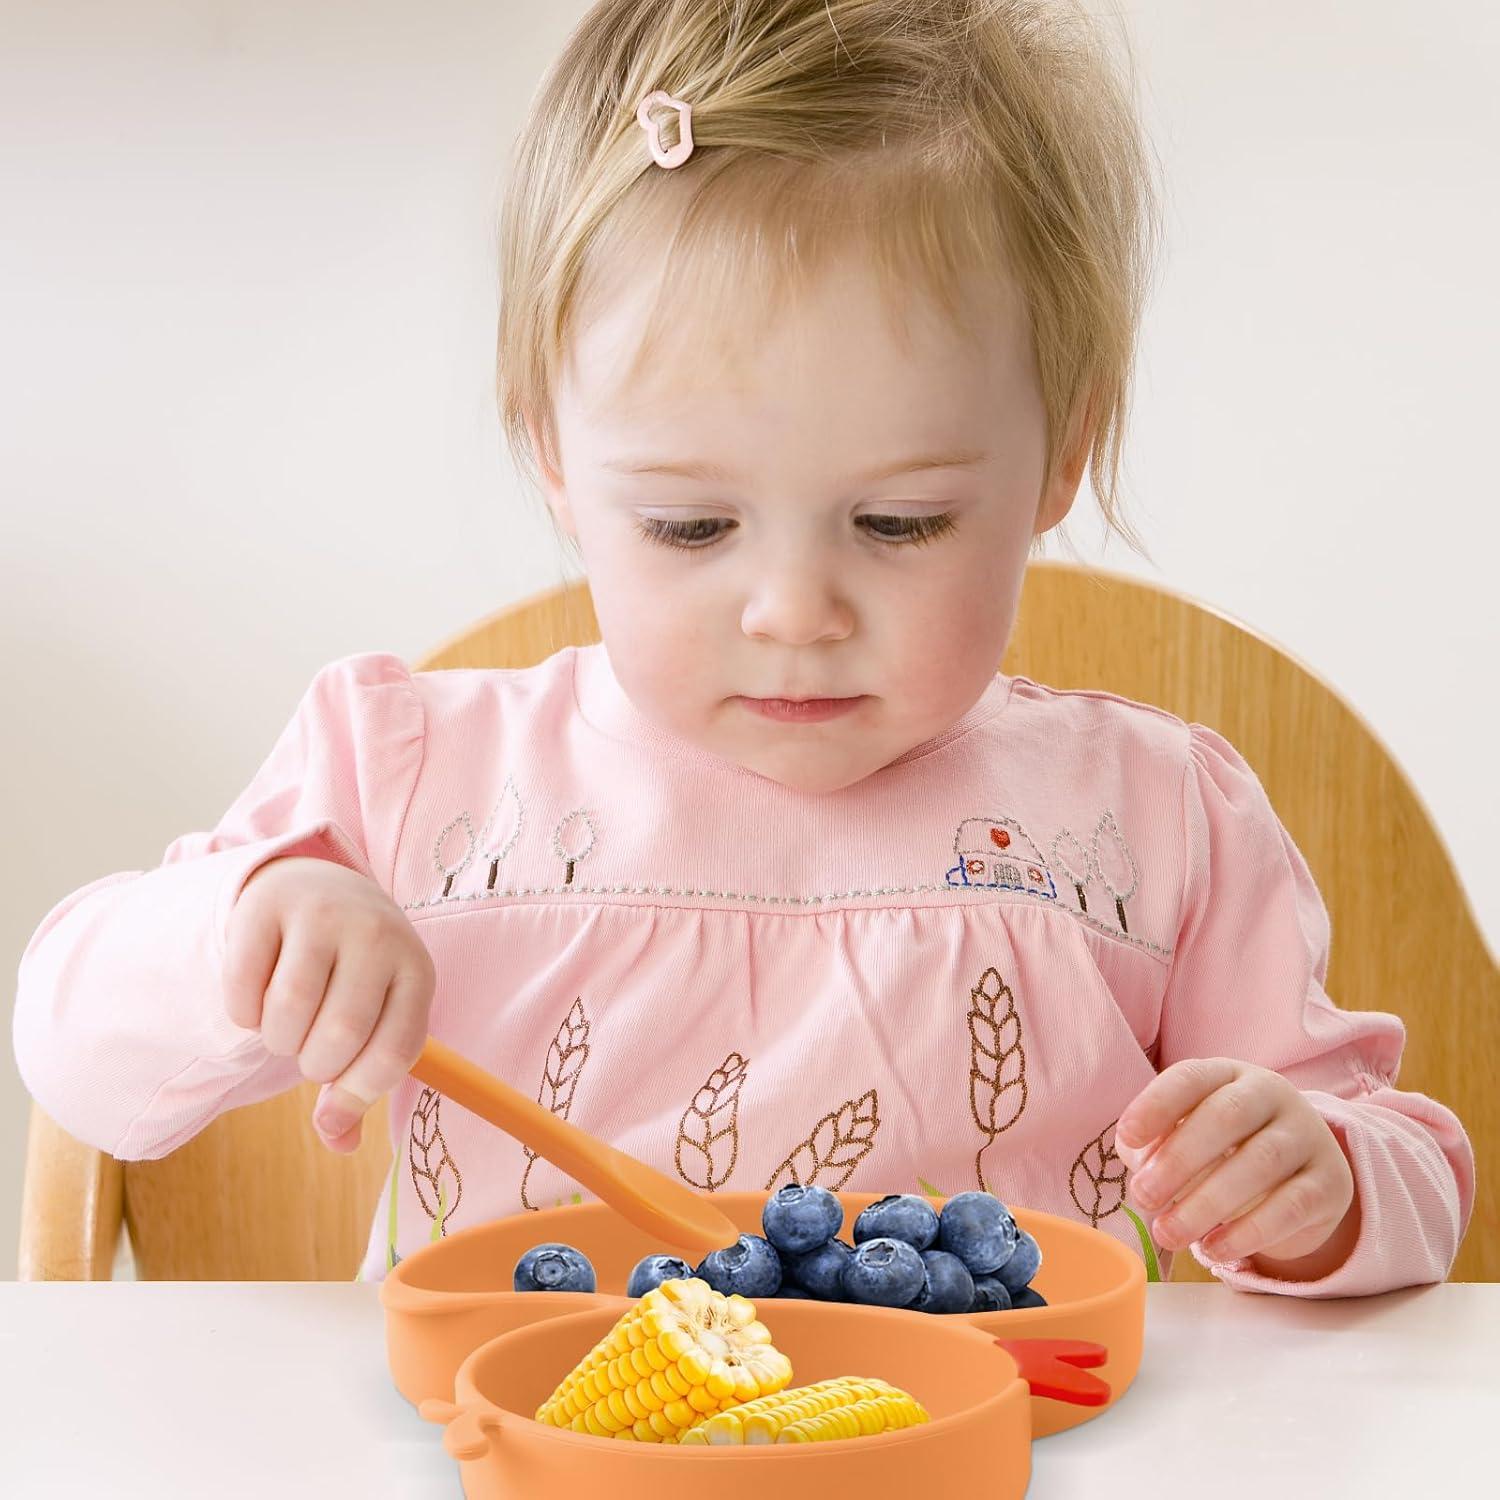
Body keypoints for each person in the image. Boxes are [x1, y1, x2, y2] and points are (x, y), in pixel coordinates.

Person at [12, 0, 1472, 1293]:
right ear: (558, 461)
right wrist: (239, 938)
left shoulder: (1149, 827)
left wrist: (1325, 1187)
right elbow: (79, 1060)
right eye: (692, 529)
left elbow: (1415, 1176)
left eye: (898, 523)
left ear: (1059, 457)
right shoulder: (409, 779)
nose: (794, 611)